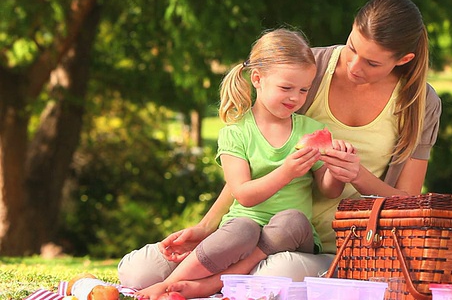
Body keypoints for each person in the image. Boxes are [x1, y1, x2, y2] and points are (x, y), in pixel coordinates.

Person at [118, 0, 442, 298]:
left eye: (372, 63)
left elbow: (409, 203)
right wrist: (207, 226)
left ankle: (215, 281)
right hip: (251, 225)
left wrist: (359, 176)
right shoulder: (305, 70)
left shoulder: (419, 103)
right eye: (352, 47)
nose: (355, 66)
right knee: (138, 272)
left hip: (333, 246)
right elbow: (251, 157)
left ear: (404, 59)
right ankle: (216, 276)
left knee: (275, 273)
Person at [134, 28, 352, 299]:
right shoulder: (235, 132)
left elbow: (329, 190)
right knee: (241, 228)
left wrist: (338, 169)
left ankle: (211, 285)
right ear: (258, 79)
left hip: (290, 237)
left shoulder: (310, 129)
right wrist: (286, 171)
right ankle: (170, 284)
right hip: (244, 226)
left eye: (304, 90)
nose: (295, 98)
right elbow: (244, 195)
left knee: (292, 221)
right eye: (286, 88)